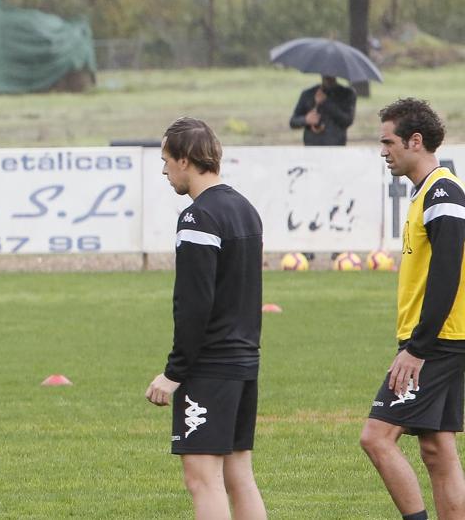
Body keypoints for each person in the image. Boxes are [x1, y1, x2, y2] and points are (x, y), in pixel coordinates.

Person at [145, 117, 267, 520]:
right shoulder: (245, 209)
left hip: (211, 366)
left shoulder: (199, 217)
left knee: (202, 478)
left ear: (185, 159)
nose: (164, 171)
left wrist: (174, 372)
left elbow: (194, 304)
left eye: (166, 160)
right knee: (239, 475)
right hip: (245, 361)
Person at [361, 98, 465, 520]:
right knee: (437, 448)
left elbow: (447, 274)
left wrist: (418, 347)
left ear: (415, 141)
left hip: (436, 342)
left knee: (376, 437)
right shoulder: (429, 193)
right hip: (436, 339)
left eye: (388, 141)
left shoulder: (443, 191)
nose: (383, 151)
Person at [289, 75, 356, 146]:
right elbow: (293, 122)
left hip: (336, 147)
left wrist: (326, 102)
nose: (328, 76)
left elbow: (347, 120)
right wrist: (305, 120)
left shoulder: (347, 93)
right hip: (312, 146)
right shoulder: (308, 93)